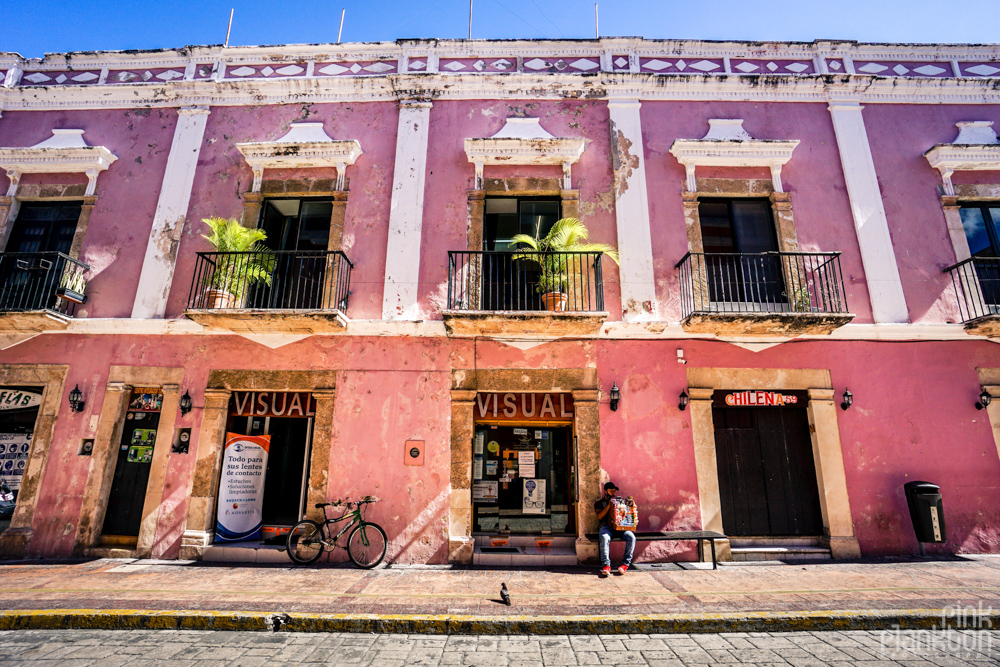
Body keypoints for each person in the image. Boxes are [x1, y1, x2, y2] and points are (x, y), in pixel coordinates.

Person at [593, 481, 635, 576]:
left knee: (631, 537)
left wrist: (628, 506)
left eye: (614, 491)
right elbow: (599, 516)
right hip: (606, 527)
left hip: (619, 528)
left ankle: (625, 564)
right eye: (611, 491)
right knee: (604, 537)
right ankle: (606, 565)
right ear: (605, 491)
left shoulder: (619, 502)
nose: (613, 493)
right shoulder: (599, 503)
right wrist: (609, 505)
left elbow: (625, 514)